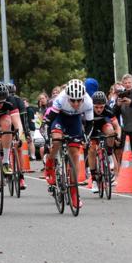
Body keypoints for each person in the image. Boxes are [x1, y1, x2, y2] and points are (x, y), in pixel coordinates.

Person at [44, 79, 94, 208]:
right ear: (68, 97)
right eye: (73, 100)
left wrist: (85, 138)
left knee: (75, 153)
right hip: (59, 117)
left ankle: (74, 192)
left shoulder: (88, 102)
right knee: (56, 140)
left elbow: (89, 124)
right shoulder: (61, 98)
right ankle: (50, 162)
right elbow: (50, 120)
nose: (76, 103)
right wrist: (46, 134)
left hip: (75, 121)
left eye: (79, 100)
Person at [87, 91, 121, 194]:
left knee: (110, 131)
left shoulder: (107, 109)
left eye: (101, 107)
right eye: (96, 107)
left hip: (103, 125)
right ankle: (94, 180)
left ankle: (109, 154)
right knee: (92, 149)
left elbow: (117, 126)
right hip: (90, 127)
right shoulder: (87, 110)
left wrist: (118, 136)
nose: (99, 110)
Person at [7, 83, 28, 190]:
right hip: (6, 126)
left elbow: (23, 118)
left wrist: (26, 133)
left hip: (17, 126)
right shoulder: (4, 100)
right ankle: (5, 164)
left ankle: (21, 176)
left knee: (19, 149)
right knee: (5, 146)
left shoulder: (18, 100)